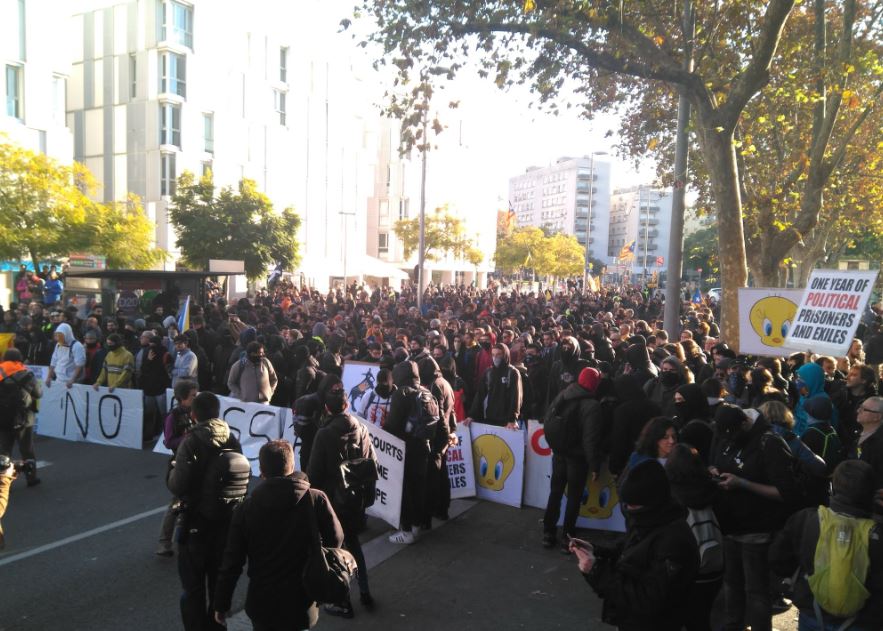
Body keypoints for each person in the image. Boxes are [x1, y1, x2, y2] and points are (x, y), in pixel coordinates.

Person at [214, 440, 344, 631]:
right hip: (302, 599)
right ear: (291, 466)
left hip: (262, 602)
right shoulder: (315, 498)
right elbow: (336, 539)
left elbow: (232, 562)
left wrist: (221, 604)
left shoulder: (245, 509)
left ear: (262, 471)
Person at [573, 459, 699, 630]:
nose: (628, 509)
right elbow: (629, 549)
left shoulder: (673, 541)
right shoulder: (650, 520)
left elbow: (649, 600)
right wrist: (596, 550)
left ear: (651, 502)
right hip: (631, 620)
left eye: (633, 505)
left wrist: (596, 571)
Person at [710, 403, 801, 631]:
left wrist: (743, 484)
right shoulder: (726, 433)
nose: (728, 440)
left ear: (744, 424)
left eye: (732, 435)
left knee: (756, 591)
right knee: (732, 584)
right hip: (730, 527)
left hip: (757, 531)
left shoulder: (769, 442)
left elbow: (786, 493)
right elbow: (717, 458)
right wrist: (713, 471)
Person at [167, 392, 249, 631]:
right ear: (217, 412)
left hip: (196, 523)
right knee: (218, 584)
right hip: (226, 521)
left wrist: (170, 469)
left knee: (192, 589)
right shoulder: (232, 439)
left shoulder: (191, 441)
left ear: (194, 414)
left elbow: (178, 484)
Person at [770, 460, 883, 630]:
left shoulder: (806, 519)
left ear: (833, 486)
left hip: (812, 610)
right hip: (862, 620)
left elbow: (777, 561)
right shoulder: (877, 533)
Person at [308, 389, 379, 617]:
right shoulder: (361, 428)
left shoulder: (325, 434)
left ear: (327, 409)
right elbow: (372, 463)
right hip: (356, 497)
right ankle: (365, 592)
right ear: (347, 406)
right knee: (355, 544)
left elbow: (314, 472)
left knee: (334, 550)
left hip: (332, 500)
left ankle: (342, 601)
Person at [542, 367, 604, 550]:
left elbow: (548, 417)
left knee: (555, 492)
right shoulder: (592, 406)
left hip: (559, 452)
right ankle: (567, 537)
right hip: (577, 458)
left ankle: (548, 531)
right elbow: (590, 439)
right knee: (574, 497)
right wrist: (594, 465)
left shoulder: (564, 393)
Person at [665, 444, 723, 631]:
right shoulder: (712, 488)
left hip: (684, 569)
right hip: (714, 565)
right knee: (702, 619)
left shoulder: (671, 497)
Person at [156, 380, 199, 557]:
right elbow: (168, 442)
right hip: (181, 464)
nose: (196, 399)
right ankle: (164, 543)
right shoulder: (172, 416)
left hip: (198, 463)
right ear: (182, 398)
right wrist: (187, 438)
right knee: (176, 504)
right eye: (192, 397)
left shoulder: (196, 413)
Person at [0, 349, 43, 487]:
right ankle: (31, 478)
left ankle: (4, 482)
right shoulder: (27, 375)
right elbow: (38, 393)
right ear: (19, 359)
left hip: (3, 417)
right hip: (24, 418)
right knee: (27, 449)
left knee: (4, 450)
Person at [465, 343, 522, 429]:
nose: (495, 357)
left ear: (505, 355)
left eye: (499, 354)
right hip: (489, 417)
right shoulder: (488, 372)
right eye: (493, 355)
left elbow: (516, 397)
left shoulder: (512, 372)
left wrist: (512, 419)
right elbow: (480, 394)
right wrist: (472, 415)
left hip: (506, 420)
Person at [46, 322, 86, 389]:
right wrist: (49, 377)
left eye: (61, 336)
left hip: (72, 383)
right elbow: (53, 361)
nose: (58, 338)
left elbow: (79, 365)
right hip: (59, 379)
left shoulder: (77, 346)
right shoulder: (58, 345)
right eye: (57, 335)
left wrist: (72, 380)